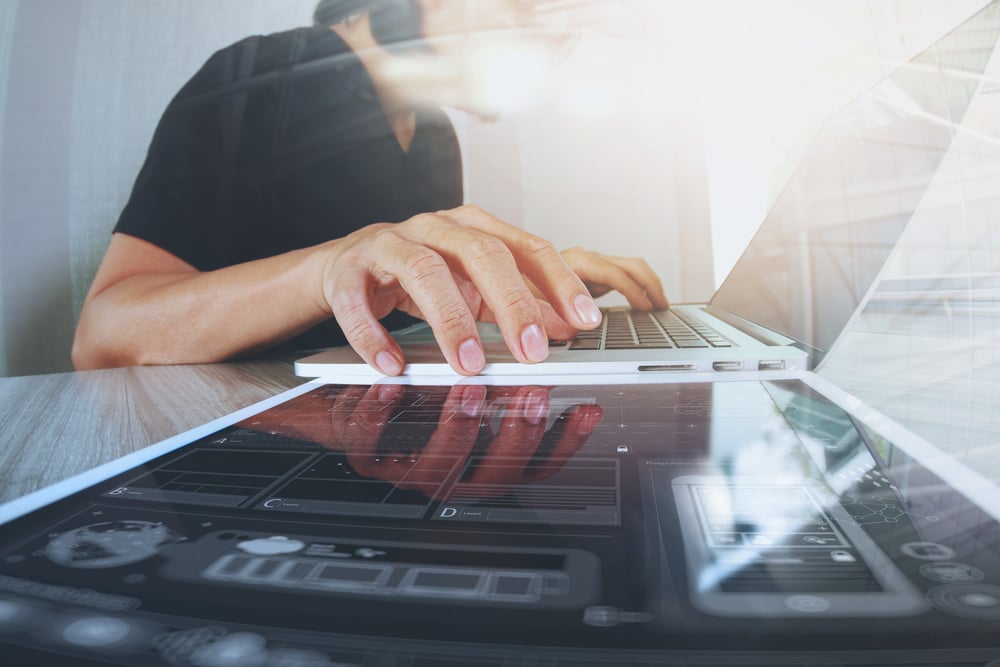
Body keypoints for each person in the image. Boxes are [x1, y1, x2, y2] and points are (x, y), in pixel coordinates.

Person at [72, 0, 668, 377]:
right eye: (522, 10)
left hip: (382, 441)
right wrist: (327, 271)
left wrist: (531, 281)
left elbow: (411, 305)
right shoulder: (259, 79)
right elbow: (104, 335)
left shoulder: (434, 133)